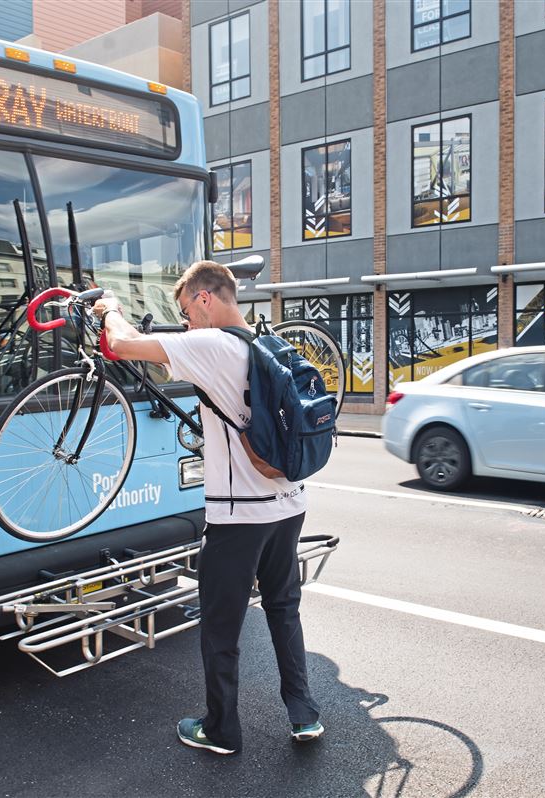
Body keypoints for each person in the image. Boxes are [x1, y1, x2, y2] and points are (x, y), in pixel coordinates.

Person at [93, 261, 323, 756]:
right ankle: (303, 715)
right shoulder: (269, 341)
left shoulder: (212, 344)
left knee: (221, 627)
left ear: (205, 299)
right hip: (289, 503)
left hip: (239, 516)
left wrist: (110, 308)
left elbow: (123, 345)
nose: (187, 323)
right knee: (284, 610)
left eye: (186, 311)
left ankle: (220, 729)